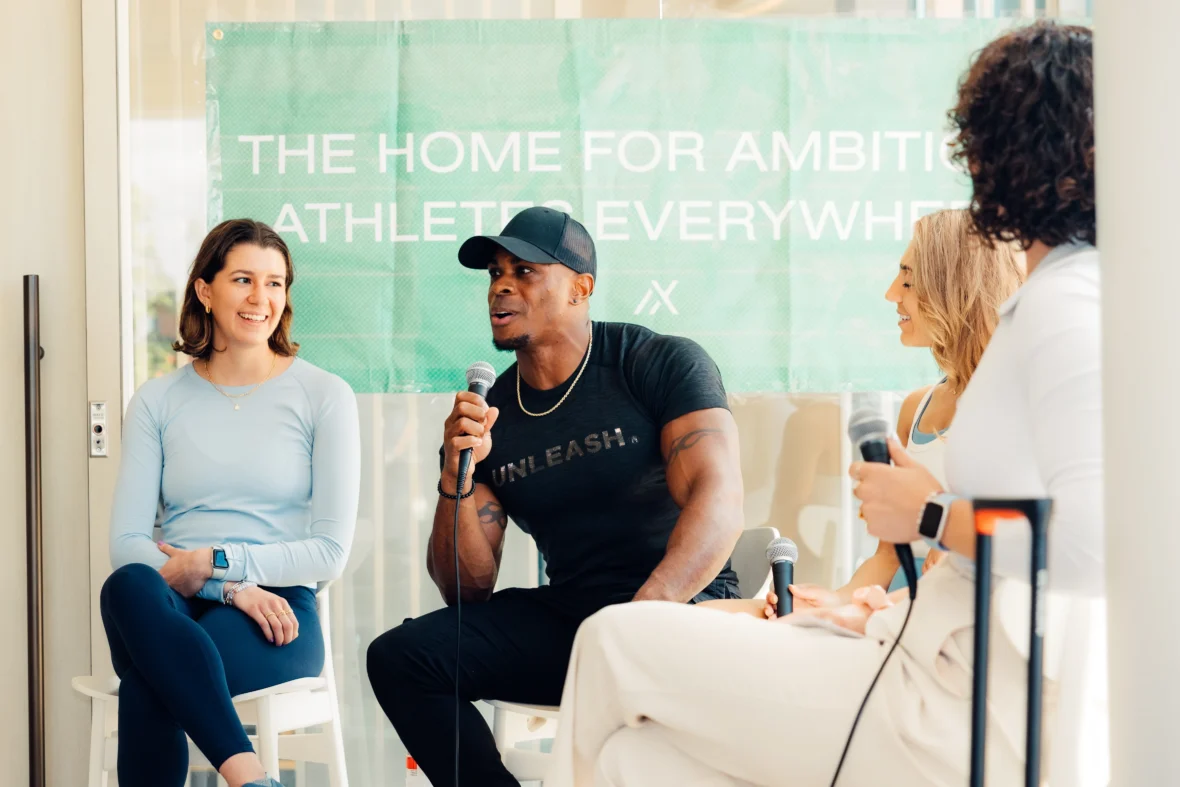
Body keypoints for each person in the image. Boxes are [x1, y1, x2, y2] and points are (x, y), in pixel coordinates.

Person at [544, 21, 1100, 787]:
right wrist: (861, 605)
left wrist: (930, 511)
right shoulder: (1053, 299)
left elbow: (1090, 546)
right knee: (634, 760)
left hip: (952, 700)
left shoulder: (1069, 306)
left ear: (1008, 146)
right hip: (911, 643)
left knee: (612, 641)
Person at [366, 206, 745, 787]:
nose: (502, 287)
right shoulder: (496, 412)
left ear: (580, 288)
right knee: (403, 658)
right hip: (576, 619)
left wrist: (639, 619)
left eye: (525, 270)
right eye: (495, 273)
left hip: (681, 607)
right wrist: (455, 477)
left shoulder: (655, 362)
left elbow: (718, 501)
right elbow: (465, 588)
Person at [100, 219, 361, 787]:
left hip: (278, 613)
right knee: (126, 587)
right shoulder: (158, 399)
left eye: (275, 283)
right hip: (173, 595)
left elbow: (329, 553)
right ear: (205, 290)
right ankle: (250, 777)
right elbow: (126, 543)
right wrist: (225, 583)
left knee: (153, 676)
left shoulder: (324, 395)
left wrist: (219, 561)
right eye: (243, 279)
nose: (259, 299)